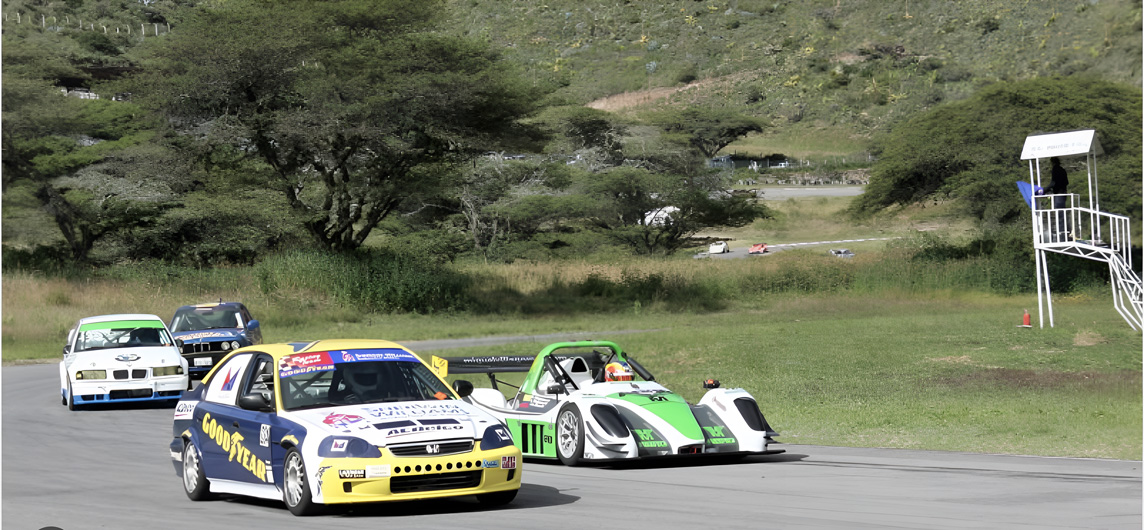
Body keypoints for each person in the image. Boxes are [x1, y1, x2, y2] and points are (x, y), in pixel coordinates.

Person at [1048, 157, 1070, 237]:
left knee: (1059, 214)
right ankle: (1066, 231)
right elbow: (1066, 182)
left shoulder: (1055, 169)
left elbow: (1053, 183)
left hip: (1058, 194)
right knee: (1062, 213)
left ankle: (1062, 233)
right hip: (1063, 193)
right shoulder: (1062, 170)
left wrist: (1045, 190)